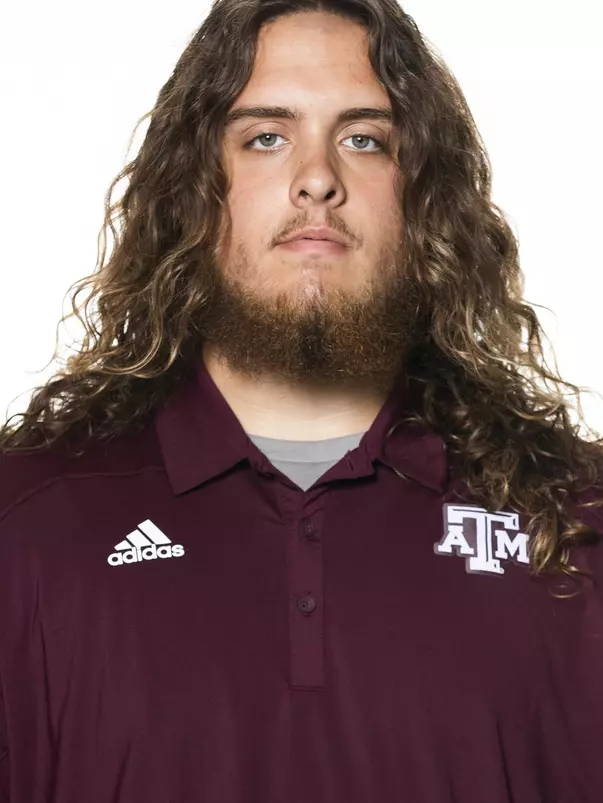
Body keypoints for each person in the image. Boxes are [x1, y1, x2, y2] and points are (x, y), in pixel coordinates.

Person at [0, 1, 602, 801]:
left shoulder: (574, 528)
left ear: (423, 200)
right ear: (194, 192)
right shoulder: (27, 522)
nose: (316, 178)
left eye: (363, 139)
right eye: (265, 137)